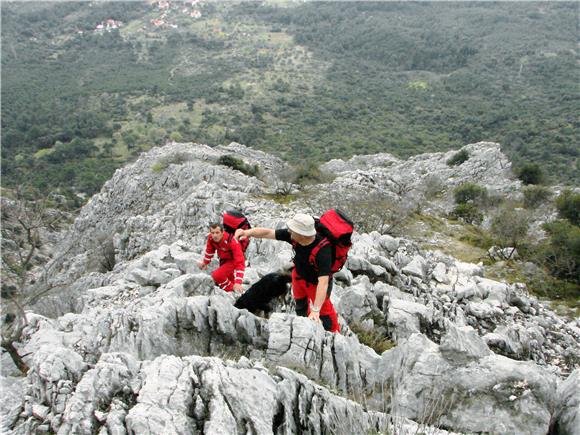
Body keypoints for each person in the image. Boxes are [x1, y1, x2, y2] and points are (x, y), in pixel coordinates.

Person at [235, 213, 340, 332]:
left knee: (325, 314)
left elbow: (324, 282)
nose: (289, 231)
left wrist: (316, 310)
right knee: (300, 306)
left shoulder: (323, 251)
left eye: (293, 230)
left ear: (302, 235)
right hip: (298, 277)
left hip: (315, 285)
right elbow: (269, 233)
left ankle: (334, 335)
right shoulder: (294, 236)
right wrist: (247, 233)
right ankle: (305, 327)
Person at [198, 222, 245, 293]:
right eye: (212, 233)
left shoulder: (232, 241)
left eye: (217, 233)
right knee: (229, 278)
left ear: (223, 232)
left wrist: (238, 282)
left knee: (217, 275)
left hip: (233, 261)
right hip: (223, 260)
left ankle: (232, 289)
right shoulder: (211, 238)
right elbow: (209, 251)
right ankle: (235, 292)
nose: (214, 235)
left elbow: (240, 262)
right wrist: (205, 262)